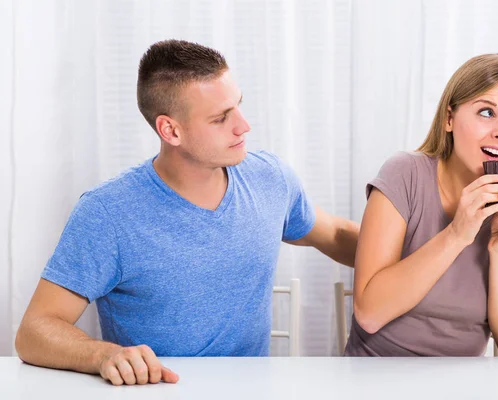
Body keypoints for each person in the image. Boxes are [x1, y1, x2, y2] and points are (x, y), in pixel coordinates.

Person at [15, 39, 359, 385]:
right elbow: (34, 331)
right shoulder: (108, 213)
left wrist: (408, 256)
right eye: (220, 118)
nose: (243, 126)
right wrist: (103, 354)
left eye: (238, 106)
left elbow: (335, 235)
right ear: (171, 130)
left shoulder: (270, 178)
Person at [346, 53, 498, 357]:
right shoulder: (405, 174)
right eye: (487, 112)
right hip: (375, 375)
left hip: (464, 383)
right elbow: (369, 312)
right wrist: (458, 234)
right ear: (449, 118)